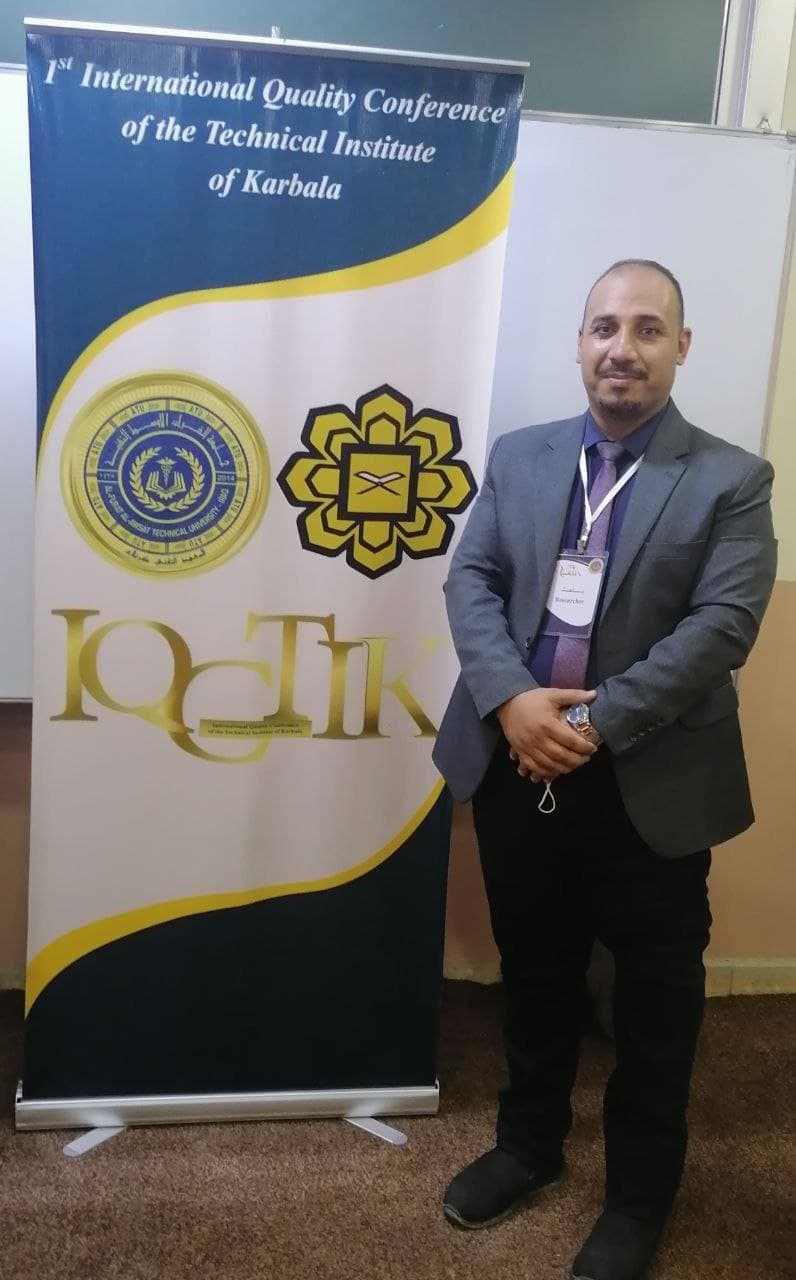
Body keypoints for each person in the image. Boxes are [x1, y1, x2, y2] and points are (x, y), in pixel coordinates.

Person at [433, 259, 777, 1280]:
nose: (621, 348)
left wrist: (585, 723)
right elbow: (471, 579)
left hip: (647, 782)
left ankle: (637, 1197)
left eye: (646, 329)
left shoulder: (731, 479)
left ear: (681, 346)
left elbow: (722, 626)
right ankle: (528, 1146)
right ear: (580, 344)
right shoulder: (522, 456)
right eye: (604, 327)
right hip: (515, 765)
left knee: (654, 1003)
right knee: (533, 973)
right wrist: (512, 701)